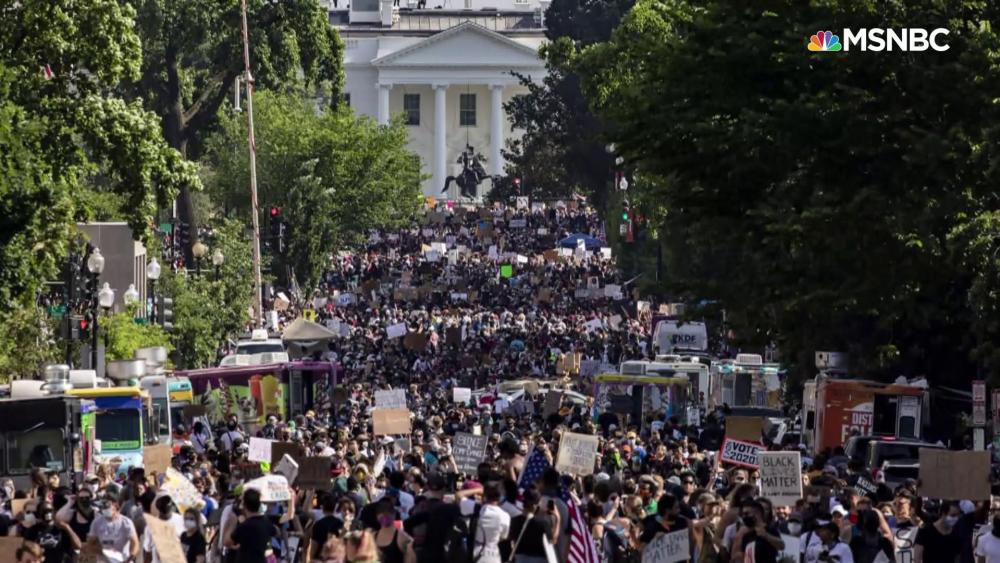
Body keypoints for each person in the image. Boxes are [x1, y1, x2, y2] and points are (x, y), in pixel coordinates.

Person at [226, 488, 279, 563]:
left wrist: (231, 524)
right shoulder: (266, 523)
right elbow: (277, 532)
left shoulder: (244, 526)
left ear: (245, 506)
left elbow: (227, 542)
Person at [507, 488, 559, 563]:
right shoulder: (542, 523)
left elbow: (510, 538)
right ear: (536, 505)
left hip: (519, 559)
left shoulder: (514, 521)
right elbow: (552, 541)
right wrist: (557, 519)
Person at [86, 493, 140, 563]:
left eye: (106, 505)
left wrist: (129, 559)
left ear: (115, 505)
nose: (104, 508)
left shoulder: (126, 522)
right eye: (102, 506)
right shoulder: (96, 522)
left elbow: (135, 543)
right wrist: (102, 552)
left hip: (123, 560)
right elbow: (90, 544)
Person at [470, 483, 510, 563]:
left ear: (484, 495)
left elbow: (458, 496)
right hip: (493, 555)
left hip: (475, 551)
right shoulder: (505, 516)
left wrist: (478, 490)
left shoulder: (475, 508)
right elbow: (503, 537)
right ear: (500, 497)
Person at [142, 495, 185, 563]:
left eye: (167, 510)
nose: (166, 514)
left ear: (172, 507)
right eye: (163, 511)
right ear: (159, 510)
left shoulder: (181, 520)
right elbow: (148, 551)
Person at [373, 499, 416, 563]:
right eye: (381, 513)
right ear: (377, 516)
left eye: (387, 513)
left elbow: (411, 559)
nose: (384, 516)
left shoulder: (402, 537)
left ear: (394, 515)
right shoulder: (373, 536)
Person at [312, 494, 347, 560]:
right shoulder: (340, 523)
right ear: (335, 508)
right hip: (335, 557)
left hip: (319, 558)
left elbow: (314, 547)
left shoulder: (318, 524)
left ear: (322, 507)